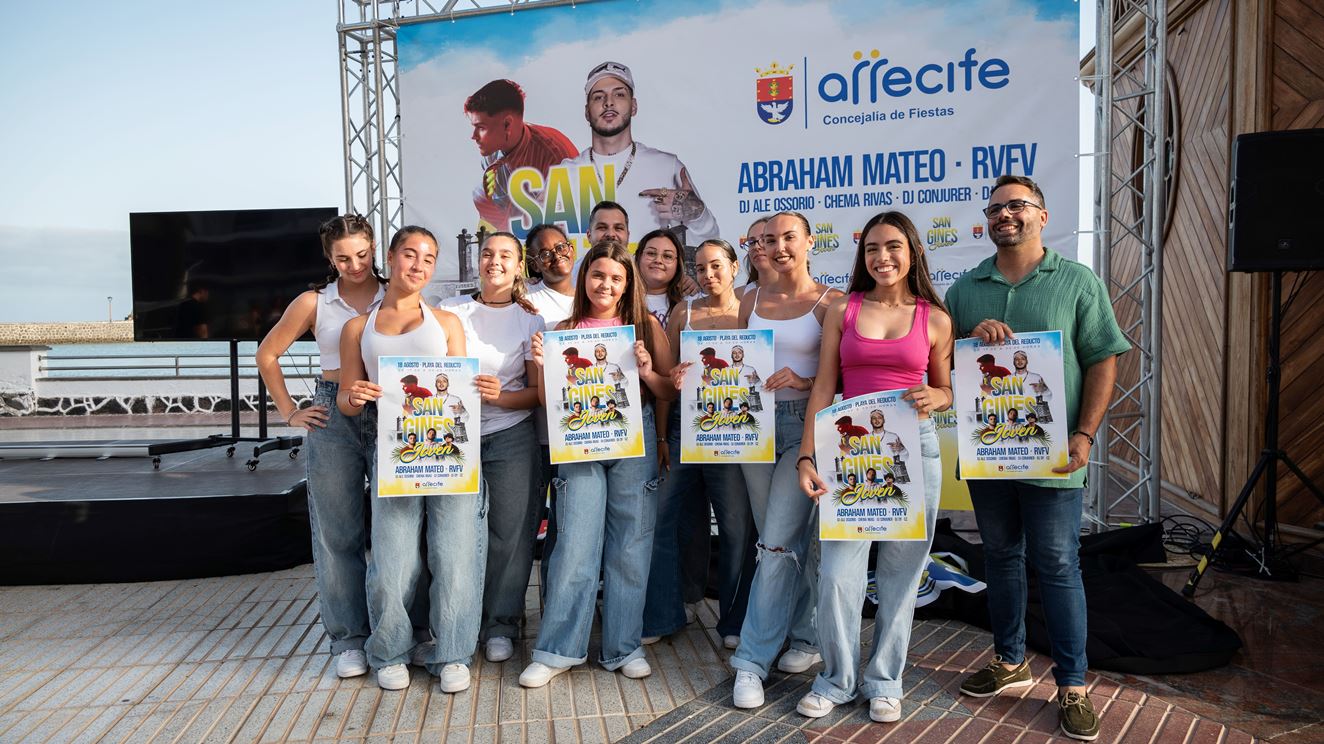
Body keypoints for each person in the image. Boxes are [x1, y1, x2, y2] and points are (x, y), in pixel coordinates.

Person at [947, 175, 1129, 742]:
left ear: (1042, 216)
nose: (1006, 215)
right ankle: (1010, 661)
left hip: (1054, 459)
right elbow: (939, 361)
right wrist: (970, 341)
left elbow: (1104, 359)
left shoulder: (1076, 281)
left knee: (1055, 564)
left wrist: (1085, 434)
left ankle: (1072, 685)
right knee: (1000, 556)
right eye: (996, 208)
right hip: (990, 454)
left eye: (1018, 206)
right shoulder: (965, 288)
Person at [794, 210, 954, 723]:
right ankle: (836, 679)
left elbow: (947, 390)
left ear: (913, 254)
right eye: (872, 249)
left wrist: (938, 395)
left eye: (893, 247)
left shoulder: (937, 318)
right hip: (849, 454)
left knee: (901, 576)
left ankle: (885, 679)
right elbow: (823, 386)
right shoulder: (844, 308)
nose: (882, 257)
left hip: (914, 451)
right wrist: (806, 454)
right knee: (839, 574)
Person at [519, 239, 676, 688]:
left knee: (631, 543)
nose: (605, 284)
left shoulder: (644, 326)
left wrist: (646, 372)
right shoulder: (562, 328)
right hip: (579, 442)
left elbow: (668, 391)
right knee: (574, 543)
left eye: (616, 278)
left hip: (634, 440)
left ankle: (623, 646)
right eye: (598, 275)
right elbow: (549, 401)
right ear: (585, 276)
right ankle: (557, 650)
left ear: (628, 285)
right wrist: (542, 364)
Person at [334, 226, 479, 695]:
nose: (419, 265)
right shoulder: (358, 327)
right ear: (390, 257)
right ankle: (390, 651)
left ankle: (451, 652)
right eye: (410, 255)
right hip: (388, 445)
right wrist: (355, 396)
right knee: (393, 557)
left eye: (429, 258)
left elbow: (458, 389)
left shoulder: (448, 323)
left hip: (449, 450)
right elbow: (344, 401)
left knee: (454, 552)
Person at [256, 214, 387, 681]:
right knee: (337, 533)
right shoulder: (314, 302)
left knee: (397, 532)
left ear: (374, 247)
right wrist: (290, 410)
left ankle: (397, 632)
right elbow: (267, 354)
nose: (355, 265)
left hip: (389, 408)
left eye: (362, 254)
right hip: (332, 413)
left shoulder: (396, 295)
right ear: (329, 259)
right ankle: (348, 639)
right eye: (343, 258)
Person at [730, 212, 844, 708]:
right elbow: (736, 357)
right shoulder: (749, 298)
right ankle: (803, 634)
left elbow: (842, 375)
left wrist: (804, 382)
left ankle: (752, 661)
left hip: (805, 425)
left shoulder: (831, 302)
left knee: (778, 542)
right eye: (769, 239)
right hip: (752, 426)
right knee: (775, 539)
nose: (778, 247)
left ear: (809, 242)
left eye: (788, 238)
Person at [644, 238, 757, 650]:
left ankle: (734, 622)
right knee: (659, 522)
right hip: (682, 431)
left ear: (733, 267)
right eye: (702, 268)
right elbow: (665, 384)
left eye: (717, 266)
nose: (709, 275)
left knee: (735, 529)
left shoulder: (750, 311)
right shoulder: (683, 311)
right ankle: (662, 613)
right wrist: (660, 436)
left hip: (732, 438)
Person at [440, 231, 545, 665]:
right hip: (454, 438)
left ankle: (502, 622)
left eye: (506, 255)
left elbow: (537, 394)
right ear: (477, 262)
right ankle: (458, 623)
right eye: (487, 254)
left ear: (520, 265)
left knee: (511, 535)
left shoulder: (530, 319)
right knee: (457, 537)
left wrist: (500, 396)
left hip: (511, 435)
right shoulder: (449, 312)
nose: (495, 261)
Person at [564, 62, 720, 246]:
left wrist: (697, 213)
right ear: (586, 112)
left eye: (619, 94)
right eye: (598, 97)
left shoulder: (665, 166)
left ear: (634, 106)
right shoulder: (565, 173)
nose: (609, 102)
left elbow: (709, 245)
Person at [464, 79, 578, 232]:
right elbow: (496, 218)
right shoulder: (490, 155)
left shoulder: (556, 157)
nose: (474, 136)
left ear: (507, 125)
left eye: (481, 127)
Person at [636, 228, 688, 327]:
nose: (658, 260)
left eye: (667, 256)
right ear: (638, 257)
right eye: (651, 253)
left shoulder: (690, 301)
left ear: (678, 265)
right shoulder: (620, 299)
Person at [738, 217, 770, 299]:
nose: (756, 247)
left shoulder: (802, 292)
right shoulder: (738, 296)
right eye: (751, 242)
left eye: (764, 239)